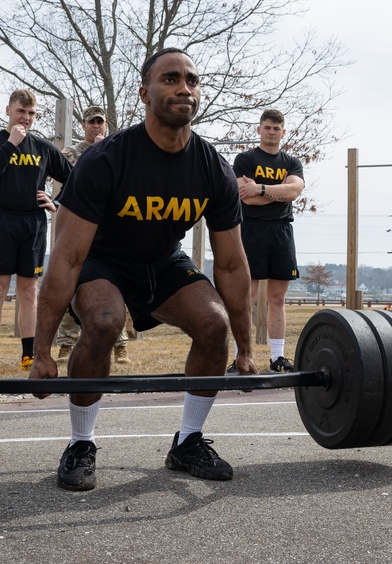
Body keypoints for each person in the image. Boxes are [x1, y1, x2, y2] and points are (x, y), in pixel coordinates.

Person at [30, 47, 257, 492]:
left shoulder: (213, 168)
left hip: (163, 261)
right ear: (144, 93)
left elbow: (231, 265)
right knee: (104, 322)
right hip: (103, 260)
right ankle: (81, 442)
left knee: (214, 324)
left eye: (192, 80)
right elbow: (66, 258)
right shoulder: (106, 159)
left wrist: (245, 350)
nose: (184, 88)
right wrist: (40, 353)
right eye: (170, 79)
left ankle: (188, 442)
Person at [0, 89, 72, 376]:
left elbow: (75, 176)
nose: (26, 118)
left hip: (33, 223)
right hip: (1, 221)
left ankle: (29, 356)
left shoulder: (43, 147)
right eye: (21, 112)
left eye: (31, 114)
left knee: (29, 291)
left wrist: (56, 202)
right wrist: (12, 144)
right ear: (8, 110)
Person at [55, 105, 132, 367]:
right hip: (79, 226)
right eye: (91, 122)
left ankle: (120, 346)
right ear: (84, 126)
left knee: (116, 286)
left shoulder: (118, 151)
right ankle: (66, 343)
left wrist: (105, 148)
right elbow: (65, 183)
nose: (96, 126)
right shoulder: (70, 154)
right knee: (71, 282)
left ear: (105, 125)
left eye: (100, 122)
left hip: (111, 228)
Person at [232, 109, 305, 372]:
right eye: (267, 127)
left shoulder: (292, 162)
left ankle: (277, 359)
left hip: (281, 231)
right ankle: (241, 357)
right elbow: (245, 196)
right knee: (245, 296)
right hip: (251, 230)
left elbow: (294, 191)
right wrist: (279, 192)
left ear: (283, 132)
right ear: (259, 130)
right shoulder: (245, 158)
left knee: (277, 298)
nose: (271, 132)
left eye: (276, 128)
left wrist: (261, 188)